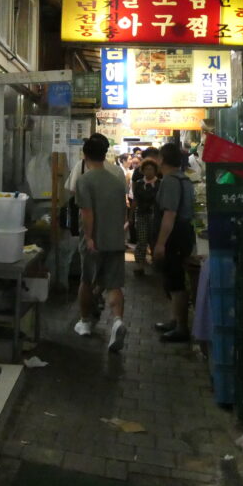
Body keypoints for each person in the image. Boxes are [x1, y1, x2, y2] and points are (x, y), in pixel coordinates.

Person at [73, 133, 129, 352]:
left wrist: (89, 237)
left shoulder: (85, 180)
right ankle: (117, 321)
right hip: (115, 239)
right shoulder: (117, 181)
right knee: (114, 284)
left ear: (85, 155)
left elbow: (87, 212)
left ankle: (85, 322)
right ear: (105, 155)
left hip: (94, 241)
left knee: (87, 281)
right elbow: (124, 213)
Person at [153, 142, 196, 343]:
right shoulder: (184, 178)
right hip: (183, 233)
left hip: (175, 235)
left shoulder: (170, 181)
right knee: (172, 278)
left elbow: (169, 214)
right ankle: (174, 320)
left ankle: (181, 327)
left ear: (162, 159)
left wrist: (161, 243)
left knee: (176, 280)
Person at [130, 158, 161, 275]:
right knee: (141, 240)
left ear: (155, 170)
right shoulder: (139, 183)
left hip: (155, 215)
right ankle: (140, 265)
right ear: (142, 170)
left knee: (154, 239)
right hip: (141, 214)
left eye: (151, 169)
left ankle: (156, 262)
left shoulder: (160, 183)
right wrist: (131, 215)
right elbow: (135, 200)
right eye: (146, 169)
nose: (149, 171)